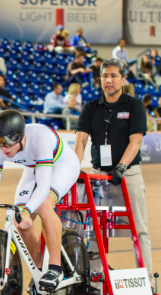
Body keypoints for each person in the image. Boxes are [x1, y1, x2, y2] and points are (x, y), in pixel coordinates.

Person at [0, 109, 81, 291]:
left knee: (44, 206)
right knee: (19, 220)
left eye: (7, 143)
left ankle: (55, 268)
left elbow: (43, 186)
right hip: (34, 167)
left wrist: (29, 209)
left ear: (20, 137)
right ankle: (40, 272)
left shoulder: (40, 138)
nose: (3, 149)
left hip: (63, 164)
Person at [74, 58, 153, 290]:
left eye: (114, 76)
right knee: (93, 229)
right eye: (105, 76)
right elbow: (80, 140)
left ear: (123, 79)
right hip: (98, 176)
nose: (108, 80)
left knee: (139, 228)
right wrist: (71, 168)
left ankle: (147, 282)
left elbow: (136, 141)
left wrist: (121, 166)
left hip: (128, 175)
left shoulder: (134, 105)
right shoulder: (90, 107)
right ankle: (96, 281)